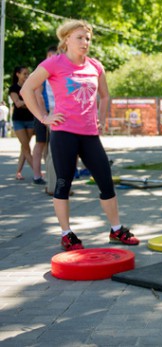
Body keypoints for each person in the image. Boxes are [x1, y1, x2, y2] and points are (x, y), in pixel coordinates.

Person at [20, 19, 139, 251]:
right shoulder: (53, 63)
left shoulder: (95, 66)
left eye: (88, 38)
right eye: (80, 38)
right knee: (63, 184)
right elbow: (27, 89)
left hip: (90, 134)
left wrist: (101, 119)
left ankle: (116, 230)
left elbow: (104, 96)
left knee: (106, 182)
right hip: (64, 133)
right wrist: (44, 117)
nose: (85, 42)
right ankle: (67, 234)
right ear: (66, 40)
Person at [31, 46, 59, 186]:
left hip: (53, 113)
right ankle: (37, 175)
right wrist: (44, 116)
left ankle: (49, 178)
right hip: (43, 114)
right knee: (41, 144)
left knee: (49, 147)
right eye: (53, 56)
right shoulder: (44, 71)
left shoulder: (55, 71)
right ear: (48, 56)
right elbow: (38, 95)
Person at [9, 66, 35, 181]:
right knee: (26, 147)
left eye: (28, 74)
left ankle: (18, 172)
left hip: (30, 120)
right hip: (18, 121)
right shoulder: (13, 88)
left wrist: (27, 103)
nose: (27, 76)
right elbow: (18, 103)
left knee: (24, 148)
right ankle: (37, 171)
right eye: (24, 73)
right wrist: (29, 102)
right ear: (17, 74)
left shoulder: (30, 87)